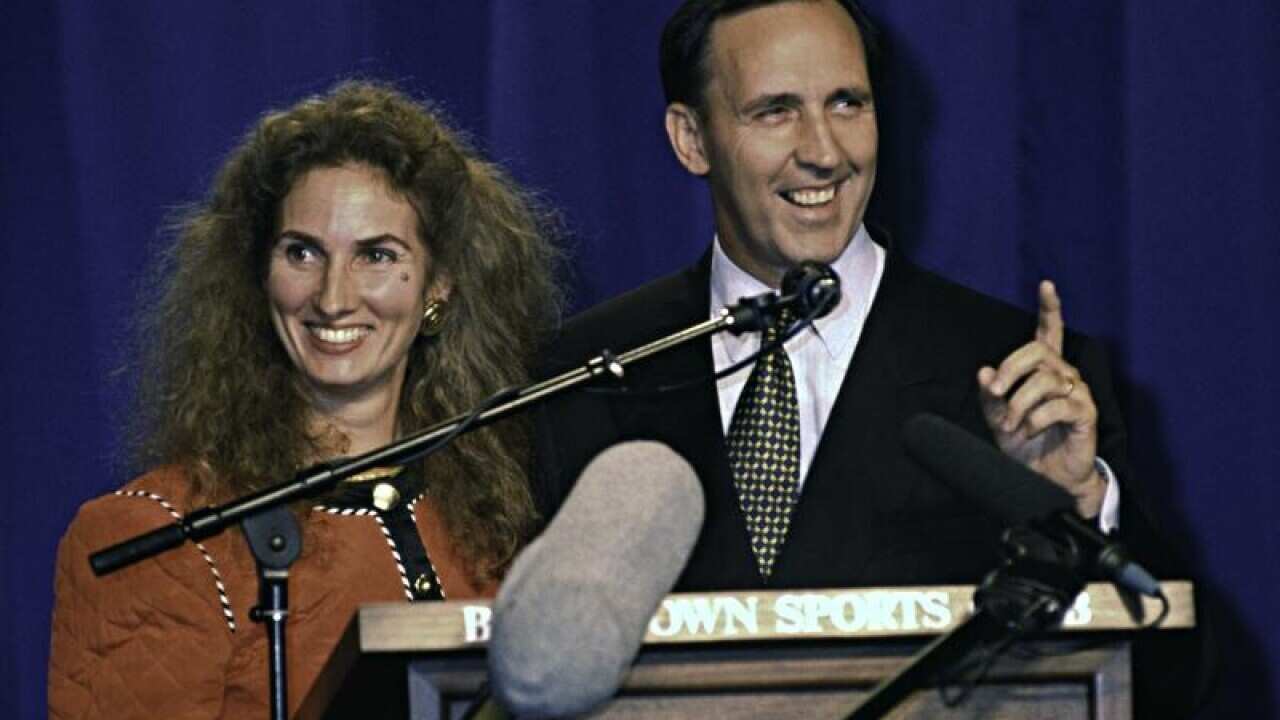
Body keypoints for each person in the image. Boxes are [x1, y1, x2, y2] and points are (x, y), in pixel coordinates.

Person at [49, 81, 561, 718]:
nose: (332, 297)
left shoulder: (504, 523)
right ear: (258, 275)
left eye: (376, 255)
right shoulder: (155, 534)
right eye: (302, 253)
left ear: (440, 286)